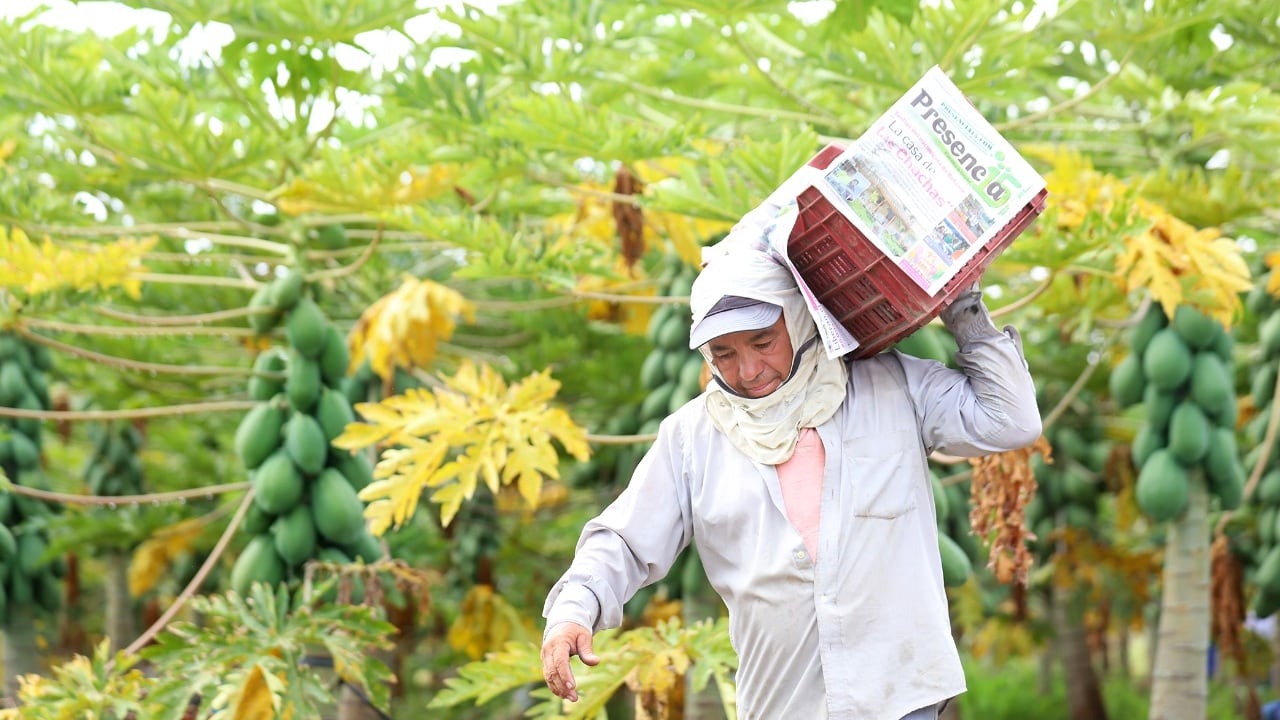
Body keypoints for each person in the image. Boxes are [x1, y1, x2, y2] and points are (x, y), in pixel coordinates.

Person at [540, 246, 1041, 719]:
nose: (749, 370)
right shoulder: (693, 437)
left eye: (762, 342)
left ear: (800, 320)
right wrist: (573, 611)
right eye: (724, 353)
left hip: (900, 696)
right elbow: (623, 542)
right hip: (782, 702)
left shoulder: (892, 386)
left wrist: (964, 309)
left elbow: (1011, 421)